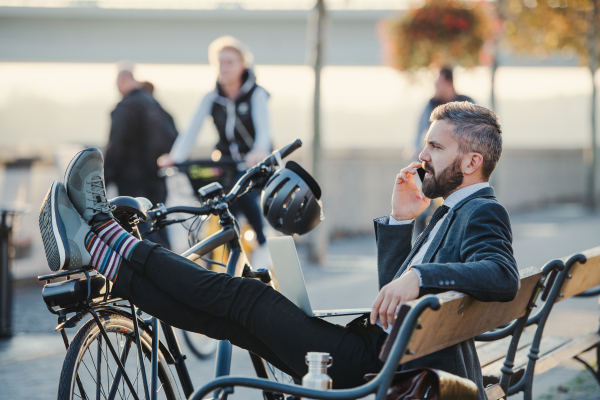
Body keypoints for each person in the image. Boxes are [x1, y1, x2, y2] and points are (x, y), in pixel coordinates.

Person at [40, 101, 519, 399]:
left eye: (435, 148)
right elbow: (392, 300)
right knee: (227, 319)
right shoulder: (447, 212)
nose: (421, 157)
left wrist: (420, 276)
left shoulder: (481, 211)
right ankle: (104, 254)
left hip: (372, 368)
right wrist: (400, 222)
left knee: (248, 298)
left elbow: (502, 276)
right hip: (382, 356)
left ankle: (106, 236)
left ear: (472, 161)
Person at [158, 36, 272, 269]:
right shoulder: (212, 97)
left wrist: (259, 151)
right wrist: (175, 157)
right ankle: (218, 262)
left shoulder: (256, 95)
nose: (224, 68)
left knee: (248, 198)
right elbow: (191, 130)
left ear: (243, 65)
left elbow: (264, 132)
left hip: (253, 165)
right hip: (227, 164)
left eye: (230, 62)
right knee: (215, 201)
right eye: (220, 62)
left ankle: (262, 245)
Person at [105, 69, 178, 249]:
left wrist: (104, 177)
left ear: (123, 81)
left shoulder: (126, 106)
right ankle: (174, 268)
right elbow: (175, 135)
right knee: (159, 225)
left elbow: (116, 144)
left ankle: (157, 272)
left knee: (140, 230)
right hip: (157, 177)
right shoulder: (155, 104)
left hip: (132, 181)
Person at [412, 67, 475, 236]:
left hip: (457, 160)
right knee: (423, 190)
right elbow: (419, 131)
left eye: (438, 83)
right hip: (431, 159)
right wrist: (415, 148)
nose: (435, 87)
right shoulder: (431, 103)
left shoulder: (465, 102)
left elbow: (479, 130)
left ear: (448, 83)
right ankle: (422, 231)